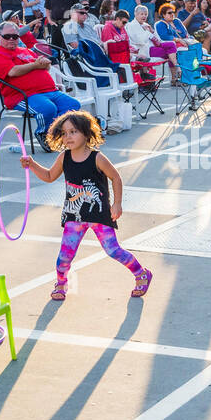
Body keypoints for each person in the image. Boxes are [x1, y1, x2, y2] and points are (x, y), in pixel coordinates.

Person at [19, 110, 149, 301]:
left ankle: (141, 274)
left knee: (113, 250)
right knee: (65, 256)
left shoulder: (97, 158)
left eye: (73, 132)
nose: (68, 136)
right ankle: (61, 284)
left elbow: (115, 177)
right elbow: (48, 176)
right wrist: (32, 165)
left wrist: (117, 204)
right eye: (64, 133)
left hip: (99, 215)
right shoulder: (64, 157)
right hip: (74, 216)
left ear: (86, 134)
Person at [0, 26, 80, 142]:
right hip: (22, 96)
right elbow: (13, 71)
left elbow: (44, 67)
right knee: (48, 108)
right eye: (7, 36)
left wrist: (46, 64)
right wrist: (35, 65)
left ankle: (55, 132)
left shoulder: (25, 51)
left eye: (15, 36)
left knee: (73, 105)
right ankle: (43, 134)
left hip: (49, 90)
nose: (11, 39)